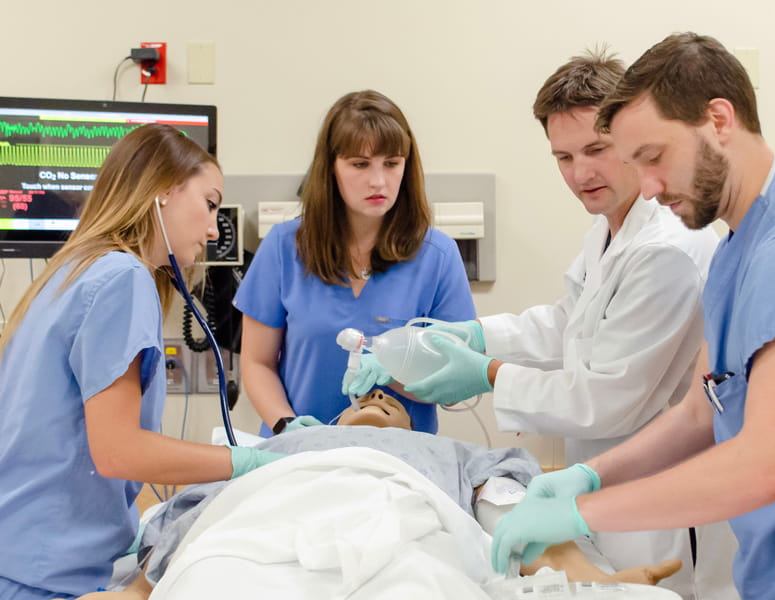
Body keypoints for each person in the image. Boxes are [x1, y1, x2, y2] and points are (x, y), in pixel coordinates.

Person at [491, 32, 775, 600]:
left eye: (655, 158)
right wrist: (587, 476)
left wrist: (586, 511)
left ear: (719, 119)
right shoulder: (740, 245)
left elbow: (772, 461)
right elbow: (699, 413)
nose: (651, 188)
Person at [345, 50, 736, 599]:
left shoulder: (667, 249)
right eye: (564, 156)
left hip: (659, 504)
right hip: (602, 487)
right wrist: (474, 336)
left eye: (597, 149)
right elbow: (568, 323)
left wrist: (488, 373)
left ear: (628, 135)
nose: (581, 173)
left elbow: (608, 396)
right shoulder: (608, 230)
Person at [0, 124, 286, 600]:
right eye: (210, 203)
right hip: (49, 573)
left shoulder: (69, 271)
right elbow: (118, 451)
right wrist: (246, 463)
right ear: (162, 193)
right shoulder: (120, 278)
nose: (215, 229)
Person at [75, 391, 682, 600]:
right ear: (328, 418)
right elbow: (166, 543)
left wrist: (592, 583)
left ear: (414, 427)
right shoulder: (261, 457)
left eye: (392, 403)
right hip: (247, 538)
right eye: (367, 400)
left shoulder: (453, 455)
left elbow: (516, 521)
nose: (378, 401)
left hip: (404, 532)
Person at [234, 89, 475, 436]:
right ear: (331, 168)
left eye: (391, 163)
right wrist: (286, 427)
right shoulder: (284, 249)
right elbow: (257, 363)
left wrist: (394, 371)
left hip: (400, 459)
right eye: (360, 164)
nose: (378, 180)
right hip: (298, 455)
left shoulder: (437, 257)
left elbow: (456, 380)